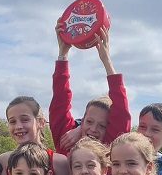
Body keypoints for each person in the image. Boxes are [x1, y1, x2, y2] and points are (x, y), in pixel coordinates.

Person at [49, 22, 131, 156]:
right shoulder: (66, 141)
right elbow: (60, 99)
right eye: (89, 122)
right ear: (82, 120)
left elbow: (121, 113)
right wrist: (63, 53)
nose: (93, 129)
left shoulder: (110, 150)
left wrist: (107, 61)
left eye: (102, 126)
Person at [0, 95, 70, 175]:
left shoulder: (59, 162)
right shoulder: (4, 160)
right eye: (12, 121)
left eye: (25, 120)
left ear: (40, 122)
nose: (18, 126)